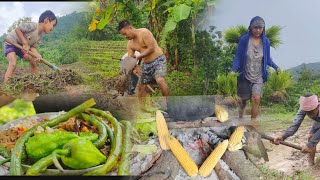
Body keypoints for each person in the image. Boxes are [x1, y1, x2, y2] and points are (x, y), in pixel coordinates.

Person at [231, 16, 279, 120]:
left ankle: (252, 124)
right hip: (245, 74)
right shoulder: (244, 40)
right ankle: (240, 119)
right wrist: (233, 71)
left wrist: (276, 67)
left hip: (259, 75)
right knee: (242, 101)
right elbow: (238, 56)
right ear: (251, 28)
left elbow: (267, 59)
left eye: (260, 28)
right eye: (255, 28)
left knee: (256, 99)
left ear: (263, 28)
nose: (258, 30)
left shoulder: (266, 42)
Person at [117, 20, 170, 109]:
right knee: (141, 87)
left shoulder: (144, 32)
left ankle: (168, 103)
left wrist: (139, 57)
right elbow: (131, 58)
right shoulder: (130, 44)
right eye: (123, 35)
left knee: (160, 80)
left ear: (130, 28)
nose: (125, 36)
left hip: (158, 60)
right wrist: (136, 67)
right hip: (146, 64)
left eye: (125, 34)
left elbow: (151, 48)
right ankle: (142, 109)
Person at [3, 10, 58, 82]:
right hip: (11, 43)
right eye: (53, 25)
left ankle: (36, 81)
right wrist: (25, 42)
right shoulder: (33, 26)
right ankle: (6, 86)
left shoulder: (39, 36)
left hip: (22, 48)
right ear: (46, 20)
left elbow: (33, 47)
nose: (52, 28)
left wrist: (37, 54)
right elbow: (18, 29)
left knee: (33, 61)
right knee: (13, 63)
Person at [272, 93, 320, 166]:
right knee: (311, 137)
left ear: (317, 106)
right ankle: (311, 165)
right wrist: (283, 136)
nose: (310, 115)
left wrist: (310, 144)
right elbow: (295, 125)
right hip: (318, 121)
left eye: (311, 112)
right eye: (307, 112)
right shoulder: (303, 108)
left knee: (311, 142)